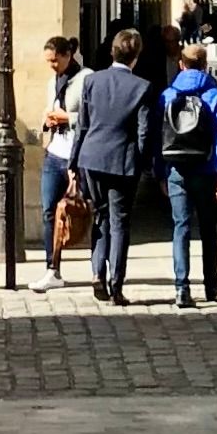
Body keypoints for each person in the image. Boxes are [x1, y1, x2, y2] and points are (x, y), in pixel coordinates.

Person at [69, 24, 159, 302]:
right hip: (122, 159)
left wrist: (73, 161)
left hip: (92, 156)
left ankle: (97, 271)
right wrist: (144, 164)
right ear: (137, 56)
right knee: (119, 222)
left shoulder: (92, 81)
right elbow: (144, 131)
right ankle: (116, 282)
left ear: (112, 51)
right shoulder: (142, 87)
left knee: (100, 217)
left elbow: (82, 125)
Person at [158, 40, 217, 308]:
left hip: (176, 169)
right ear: (205, 66)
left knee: (181, 227)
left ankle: (181, 287)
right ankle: (211, 283)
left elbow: (161, 137)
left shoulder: (168, 95)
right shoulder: (214, 96)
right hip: (206, 168)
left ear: (181, 64)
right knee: (208, 227)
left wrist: (160, 173)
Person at [37, 35, 84, 283]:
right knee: (49, 210)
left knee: (82, 210)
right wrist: (47, 122)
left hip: (76, 154)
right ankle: (51, 267)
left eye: (55, 60)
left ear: (68, 56)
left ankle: (100, 266)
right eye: (48, 61)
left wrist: (67, 118)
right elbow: (49, 110)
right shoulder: (51, 82)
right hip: (55, 152)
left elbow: (90, 115)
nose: (52, 65)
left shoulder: (86, 78)